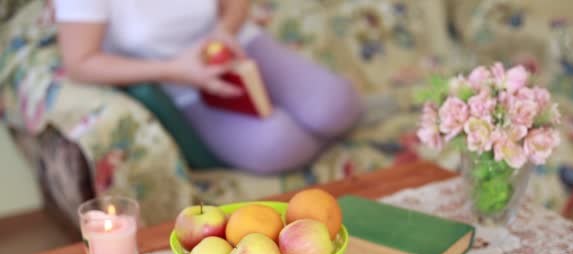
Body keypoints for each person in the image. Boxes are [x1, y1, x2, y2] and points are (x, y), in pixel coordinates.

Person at [53, 0, 362, 174]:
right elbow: (80, 62)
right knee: (277, 146)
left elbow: (235, 5)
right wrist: (175, 71)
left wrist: (224, 31)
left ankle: (317, 128)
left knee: (337, 106)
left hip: (240, 45)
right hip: (178, 80)